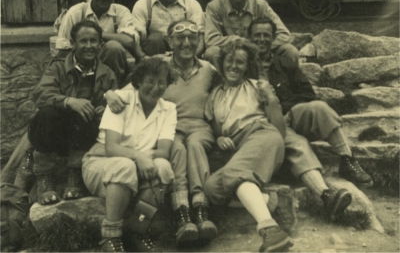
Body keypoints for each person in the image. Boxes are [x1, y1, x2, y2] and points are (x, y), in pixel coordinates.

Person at [105, 20, 219, 246]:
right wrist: (109, 94)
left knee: (193, 146)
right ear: (170, 41)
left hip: (198, 127)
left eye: (192, 37)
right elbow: (130, 90)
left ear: (199, 41)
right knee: (171, 156)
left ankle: (199, 209)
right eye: (180, 38)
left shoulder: (209, 69)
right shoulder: (160, 67)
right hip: (169, 129)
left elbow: (226, 92)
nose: (186, 43)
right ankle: (181, 213)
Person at [247, 17, 374, 213]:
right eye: (257, 35)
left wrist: (281, 104)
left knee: (318, 107)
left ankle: (347, 158)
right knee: (298, 144)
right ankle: (326, 195)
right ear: (249, 38)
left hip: (289, 116)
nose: (262, 39)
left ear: (273, 39)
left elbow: (307, 95)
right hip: (262, 124)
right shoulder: (242, 66)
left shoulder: (284, 64)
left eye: (266, 35)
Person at [203, 40, 293, 252]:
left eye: (240, 62)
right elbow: (216, 127)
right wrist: (218, 138)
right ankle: (273, 203)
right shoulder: (214, 94)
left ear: (247, 66)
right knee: (212, 188)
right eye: (229, 61)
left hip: (263, 135)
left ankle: (270, 230)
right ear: (222, 62)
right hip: (239, 147)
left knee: (234, 172)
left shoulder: (256, 86)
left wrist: (271, 98)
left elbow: (279, 130)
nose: (234, 66)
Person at [82, 58, 177, 252]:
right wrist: (139, 157)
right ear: (139, 81)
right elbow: (111, 148)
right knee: (125, 166)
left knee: (163, 167)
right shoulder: (120, 100)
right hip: (101, 164)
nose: (156, 87)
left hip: (137, 168)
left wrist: (139, 158)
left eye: (161, 82)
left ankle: (137, 230)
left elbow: (164, 151)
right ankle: (110, 236)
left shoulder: (169, 109)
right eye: (150, 81)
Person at [28, 21, 118, 205]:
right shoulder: (58, 67)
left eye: (93, 41)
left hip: (83, 135)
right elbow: (40, 94)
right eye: (83, 41)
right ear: (73, 43)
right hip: (56, 133)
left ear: (100, 44)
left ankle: (75, 175)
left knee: (91, 115)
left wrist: (103, 110)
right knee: (46, 114)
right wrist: (69, 101)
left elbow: (115, 107)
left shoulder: (107, 74)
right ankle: (45, 178)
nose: (88, 46)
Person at [204, 0, 299, 70]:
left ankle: (285, 85)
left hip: (258, 54)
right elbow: (211, 40)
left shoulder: (260, 5)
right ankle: (223, 85)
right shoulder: (215, 7)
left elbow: (284, 34)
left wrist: (261, 47)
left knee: (290, 51)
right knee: (211, 52)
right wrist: (241, 42)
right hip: (230, 55)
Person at [58, 0, 137, 87]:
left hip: (111, 69)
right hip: (81, 67)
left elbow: (129, 41)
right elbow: (62, 51)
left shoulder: (121, 11)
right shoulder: (75, 13)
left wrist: (98, 34)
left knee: (113, 47)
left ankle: (112, 91)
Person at [132, 0, 205, 60]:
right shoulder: (143, 5)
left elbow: (200, 38)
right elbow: (135, 39)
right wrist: (144, 58)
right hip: (154, 59)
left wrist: (191, 59)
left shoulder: (191, 4)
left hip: (184, 57)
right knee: (155, 39)